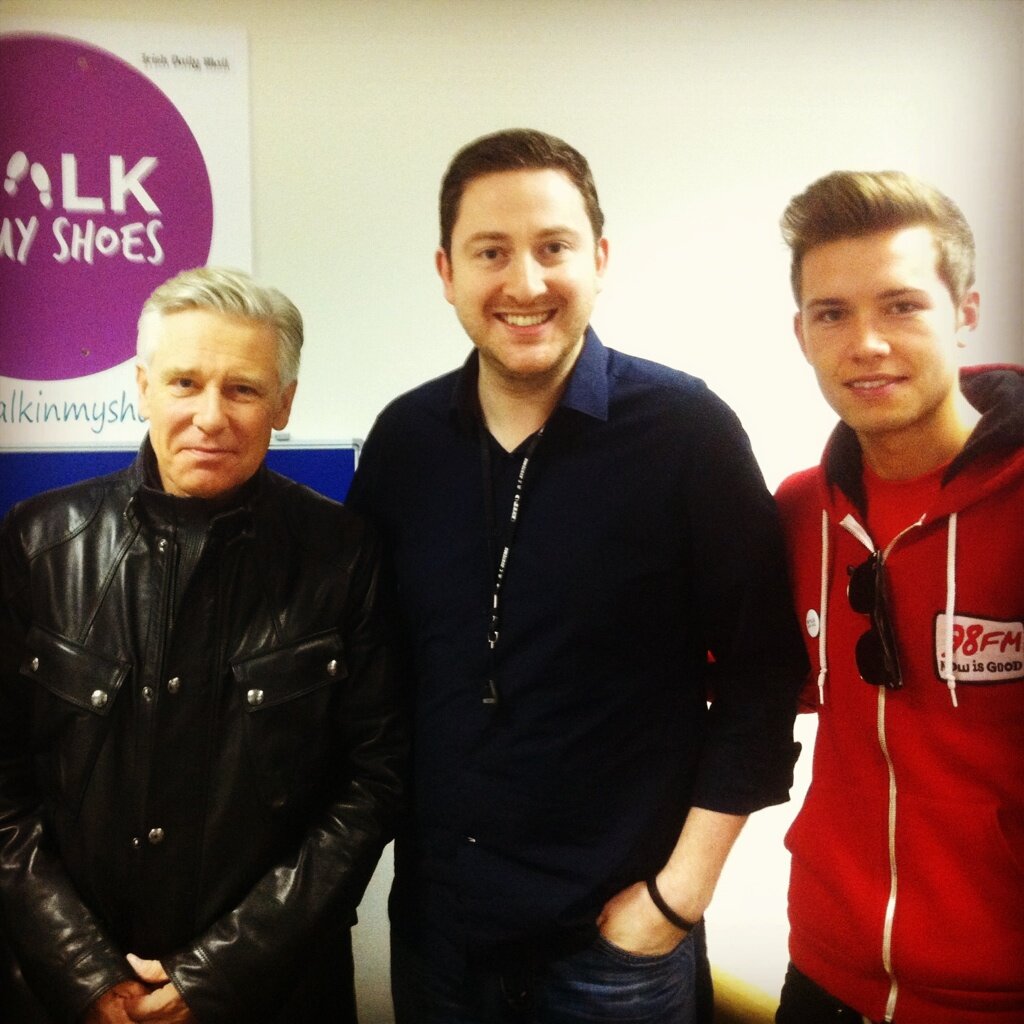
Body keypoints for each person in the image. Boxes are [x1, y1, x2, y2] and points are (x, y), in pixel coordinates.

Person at [346, 128, 807, 1024]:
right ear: (446, 272)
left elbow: (764, 673)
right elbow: (367, 671)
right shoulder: (404, 442)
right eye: (491, 252)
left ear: (598, 259)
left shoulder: (686, 432)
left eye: (553, 247)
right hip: (442, 935)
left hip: (616, 946)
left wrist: (677, 899)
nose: (525, 283)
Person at [0, 267, 406, 1024]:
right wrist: (86, 973)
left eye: (243, 389)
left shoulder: (345, 557)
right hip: (66, 996)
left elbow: (374, 784)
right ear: (143, 387)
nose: (210, 417)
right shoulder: (38, 545)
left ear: (284, 403)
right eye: (185, 382)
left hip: (275, 997)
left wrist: (213, 977)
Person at [775, 171, 1024, 1023]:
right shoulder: (799, 513)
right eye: (832, 314)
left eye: (902, 306)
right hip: (824, 977)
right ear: (802, 333)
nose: (867, 343)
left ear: (965, 312)